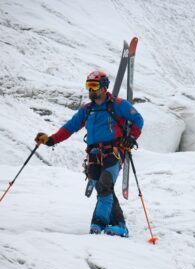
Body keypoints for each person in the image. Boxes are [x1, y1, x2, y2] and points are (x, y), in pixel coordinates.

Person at [35, 70, 144, 236]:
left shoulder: (119, 104)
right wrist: (51, 140)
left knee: (105, 185)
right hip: (93, 155)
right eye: (88, 86)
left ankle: (99, 224)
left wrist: (131, 138)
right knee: (103, 189)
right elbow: (70, 127)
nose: (90, 90)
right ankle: (117, 225)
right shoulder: (87, 109)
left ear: (104, 87)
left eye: (94, 86)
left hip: (113, 152)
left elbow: (138, 120)